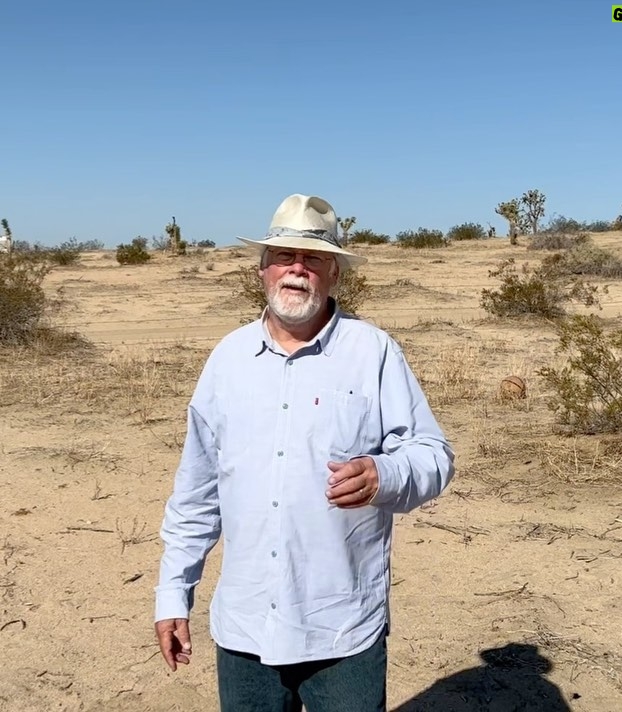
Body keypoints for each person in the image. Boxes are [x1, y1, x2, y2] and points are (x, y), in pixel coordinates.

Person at [154, 193, 455, 712]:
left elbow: (434, 455)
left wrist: (385, 474)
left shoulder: (373, 352)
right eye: (283, 257)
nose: (297, 269)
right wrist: (172, 594)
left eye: (313, 258)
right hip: (245, 627)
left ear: (334, 273)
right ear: (262, 269)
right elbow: (196, 494)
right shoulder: (227, 360)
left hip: (341, 628)